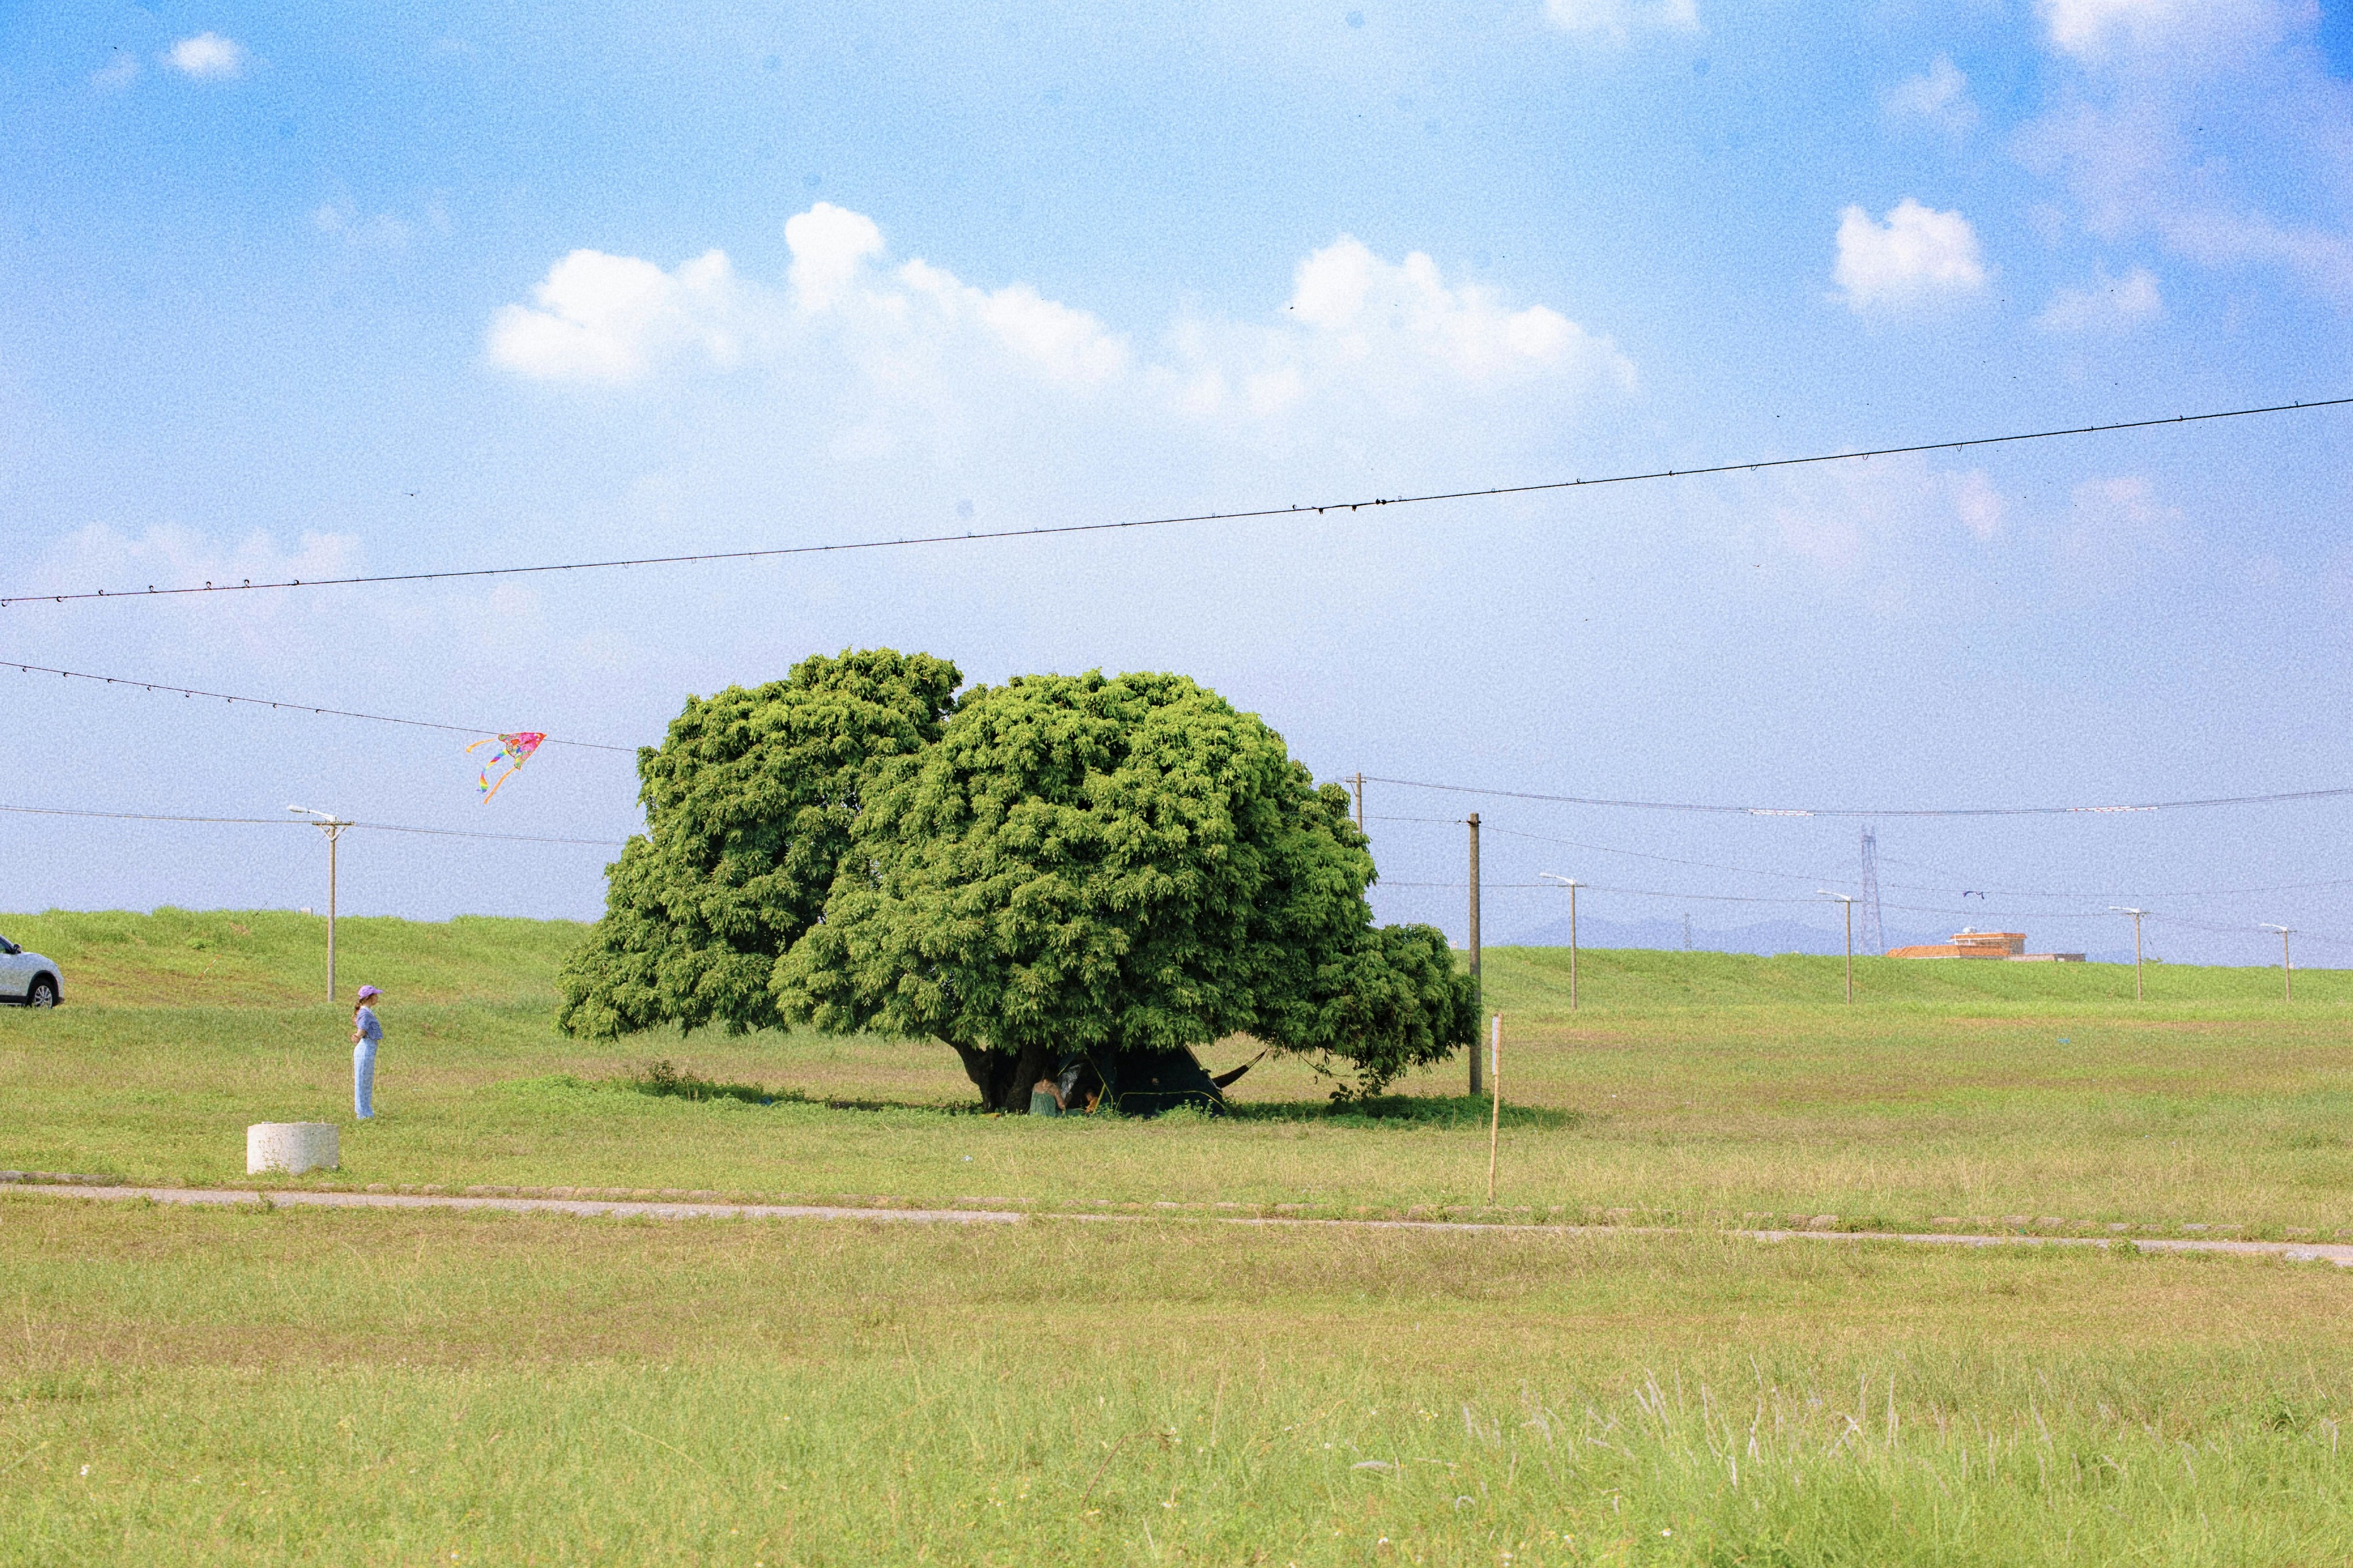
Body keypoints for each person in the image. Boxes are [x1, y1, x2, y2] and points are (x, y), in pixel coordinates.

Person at [352, 986, 383, 1120]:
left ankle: (365, 1111)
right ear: (370, 998)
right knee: (362, 1080)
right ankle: (363, 1113)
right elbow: (363, 1027)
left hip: (369, 1047)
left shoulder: (366, 1012)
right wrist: (358, 1036)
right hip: (365, 1047)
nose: (377, 997)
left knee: (366, 1080)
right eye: (375, 995)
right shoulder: (365, 1013)